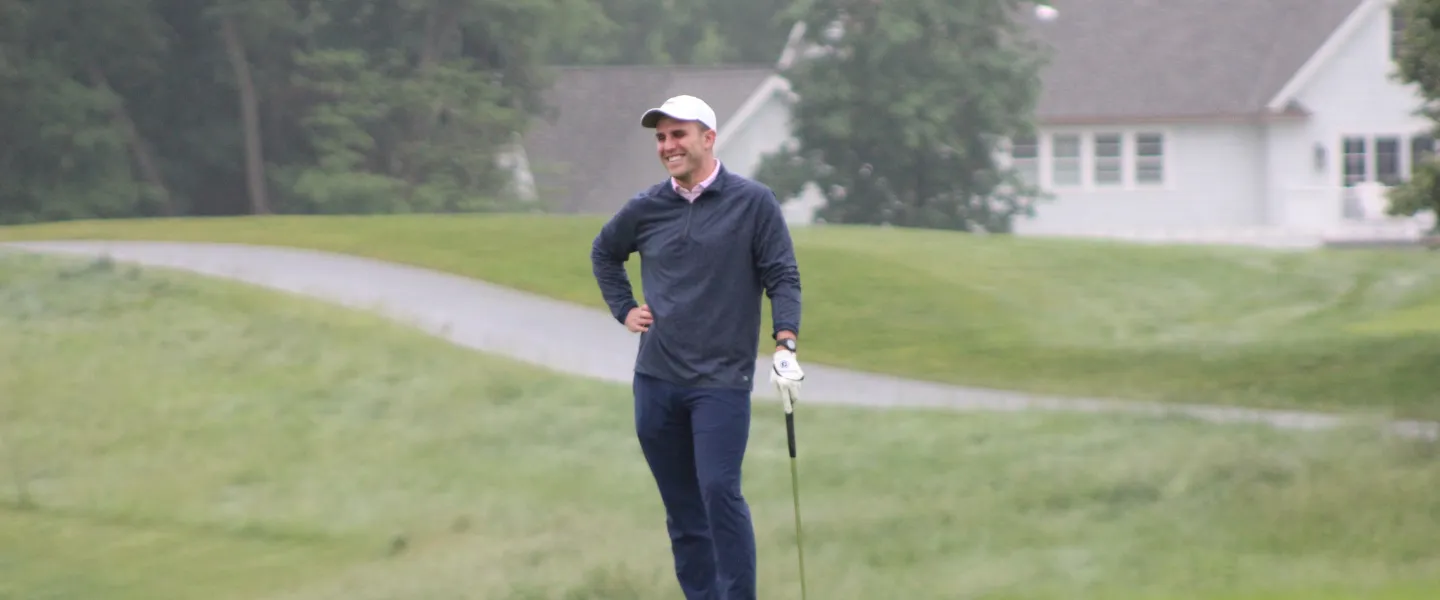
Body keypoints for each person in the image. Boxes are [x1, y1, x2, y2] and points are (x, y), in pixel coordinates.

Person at [589, 94, 806, 600]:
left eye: (678, 134)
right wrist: (623, 307)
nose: (668, 146)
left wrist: (785, 342)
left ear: (709, 138)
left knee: (718, 493)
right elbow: (604, 253)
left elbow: (782, 275)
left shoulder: (753, 203)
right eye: (661, 138)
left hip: (721, 383)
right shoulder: (646, 208)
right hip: (657, 380)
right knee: (684, 510)